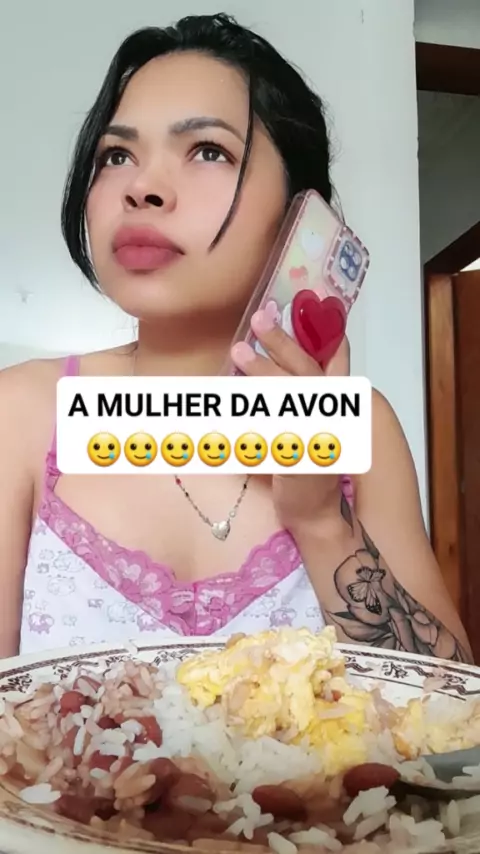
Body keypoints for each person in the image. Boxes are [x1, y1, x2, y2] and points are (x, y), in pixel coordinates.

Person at [0, 13, 471, 662]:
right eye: (116, 155)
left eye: (208, 151)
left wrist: (321, 521)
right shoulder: (21, 414)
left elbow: (453, 714)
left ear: (300, 211)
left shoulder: (361, 430)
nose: (141, 188)